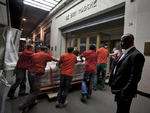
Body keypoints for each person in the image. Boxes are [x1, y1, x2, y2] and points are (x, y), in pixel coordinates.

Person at [109, 33, 145, 113]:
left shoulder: (136, 55)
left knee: (123, 110)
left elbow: (135, 77)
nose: (121, 43)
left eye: (122, 41)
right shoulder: (125, 52)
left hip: (125, 91)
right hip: (119, 88)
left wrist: (124, 92)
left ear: (129, 42)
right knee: (120, 109)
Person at [19, 46, 58, 112]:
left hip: (30, 73)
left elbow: (29, 62)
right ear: (45, 50)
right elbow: (54, 59)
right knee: (35, 91)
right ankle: (23, 105)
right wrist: (60, 60)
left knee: (32, 88)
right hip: (36, 74)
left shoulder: (34, 54)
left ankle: (32, 102)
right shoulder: (45, 55)